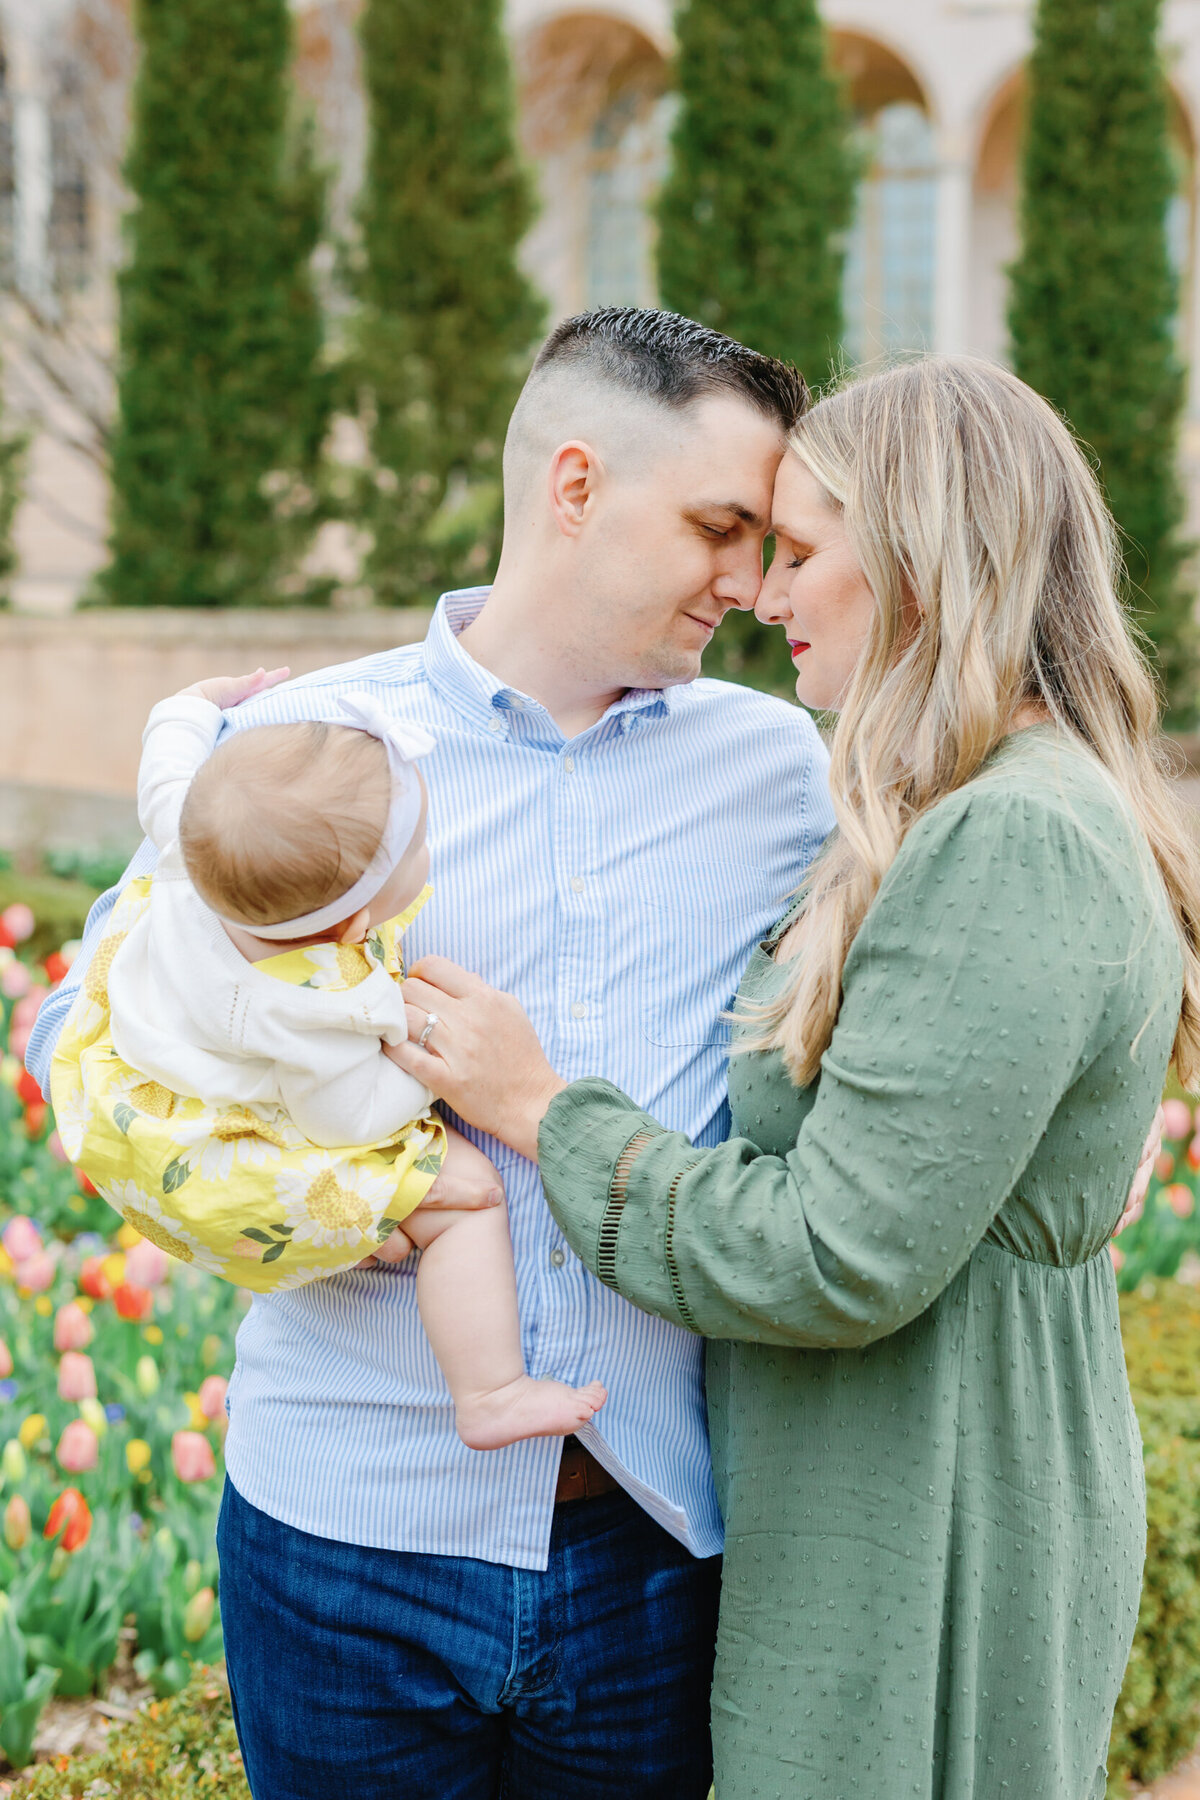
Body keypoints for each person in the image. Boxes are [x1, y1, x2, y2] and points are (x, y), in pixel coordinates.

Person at [26, 307, 832, 1799]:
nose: (749, 578)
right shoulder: (317, 746)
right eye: (722, 525)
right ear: (574, 486)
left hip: (655, 1534)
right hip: (344, 1541)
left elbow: (952, 966)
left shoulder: (778, 770)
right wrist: (314, 1194)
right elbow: (85, 1030)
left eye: (767, 538)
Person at [388, 356, 1196, 1800]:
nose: (764, 593)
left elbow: (835, 1255)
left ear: (923, 571)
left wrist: (538, 1109)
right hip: (887, 1477)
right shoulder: (961, 806)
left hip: (924, 1503)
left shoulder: (1010, 836)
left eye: (804, 553)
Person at [50, 672, 605, 1450]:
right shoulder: (319, 1003)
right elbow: (342, 1116)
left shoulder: (190, 841)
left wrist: (201, 702)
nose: (429, 847)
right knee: (468, 1199)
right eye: (416, 845)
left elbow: (169, 741)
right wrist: (417, 1057)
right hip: (223, 1158)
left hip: (130, 1086)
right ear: (353, 922)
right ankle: (491, 1391)